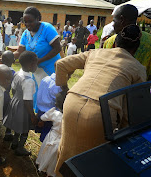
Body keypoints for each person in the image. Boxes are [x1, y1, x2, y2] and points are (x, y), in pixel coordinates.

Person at [55, 24, 146, 175]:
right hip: (102, 113)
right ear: (135, 49)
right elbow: (131, 108)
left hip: (72, 101)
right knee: (92, 162)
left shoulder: (95, 53)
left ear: (115, 43)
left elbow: (61, 64)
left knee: (66, 151)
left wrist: (64, 89)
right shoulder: (138, 68)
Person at [14, 6, 61, 86]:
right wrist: (5, 57)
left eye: (30, 21)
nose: (27, 24)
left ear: (38, 18)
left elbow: (57, 48)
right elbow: (19, 51)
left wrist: (39, 60)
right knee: (37, 94)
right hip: (36, 71)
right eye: (25, 22)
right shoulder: (25, 34)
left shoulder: (47, 28)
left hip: (51, 70)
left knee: (49, 95)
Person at [4, 51, 39, 156]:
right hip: (24, 107)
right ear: (31, 65)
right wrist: (32, 115)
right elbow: (27, 100)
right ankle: (20, 148)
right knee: (25, 128)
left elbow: (14, 89)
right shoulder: (29, 81)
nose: (37, 66)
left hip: (15, 102)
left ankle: (14, 142)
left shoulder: (18, 73)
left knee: (18, 125)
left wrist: (16, 98)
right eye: (36, 64)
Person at [103, 4, 151, 81]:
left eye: (114, 21)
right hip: (139, 91)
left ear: (122, 19)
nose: (113, 25)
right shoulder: (149, 41)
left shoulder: (109, 42)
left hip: (110, 89)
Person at [36, 92, 66, 177]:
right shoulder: (70, 117)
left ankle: (41, 167)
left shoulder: (55, 113)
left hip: (51, 137)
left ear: (57, 103)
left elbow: (43, 117)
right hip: (61, 141)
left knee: (45, 153)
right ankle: (50, 173)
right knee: (54, 159)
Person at [36, 71, 62, 142]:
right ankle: (44, 150)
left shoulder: (45, 79)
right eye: (69, 75)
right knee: (47, 136)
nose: (70, 77)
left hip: (41, 110)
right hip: (50, 114)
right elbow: (57, 102)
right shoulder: (58, 86)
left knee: (43, 132)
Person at [1, 50, 15, 141]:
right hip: (6, 95)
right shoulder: (13, 72)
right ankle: (8, 133)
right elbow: (14, 87)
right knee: (8, 114)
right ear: (13, 61)